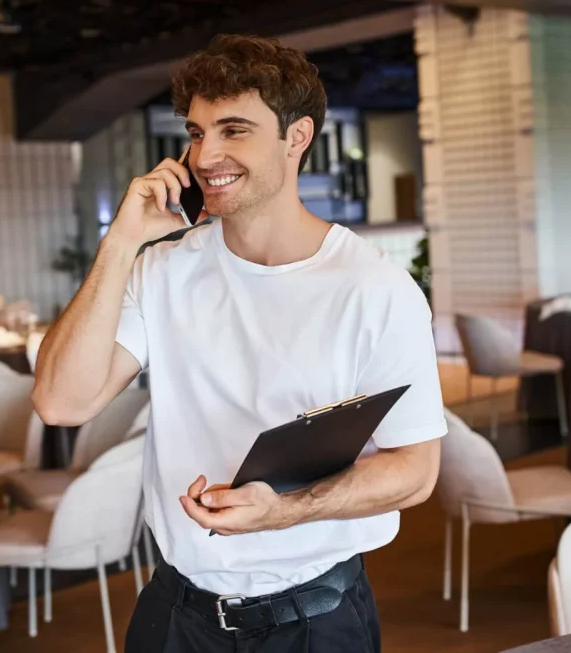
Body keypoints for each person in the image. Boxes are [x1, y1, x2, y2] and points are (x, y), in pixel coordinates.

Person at [33, 34, 447, 652]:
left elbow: (415, 473)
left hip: (315, 622)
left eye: (234, 130)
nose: (206, 155)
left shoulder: (376, 288)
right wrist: (119, 244)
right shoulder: (161, 268)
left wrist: (285, 510)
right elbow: (61, 404)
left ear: (297, 137)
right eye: (197, 133)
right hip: (176, 611)